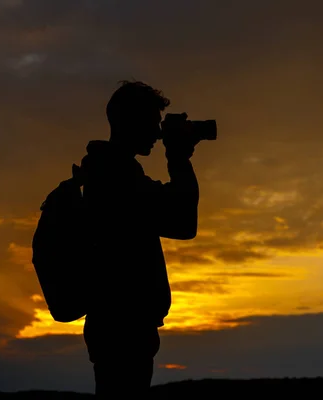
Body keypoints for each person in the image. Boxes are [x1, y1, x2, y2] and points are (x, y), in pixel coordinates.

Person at [77, 80, 200, 397]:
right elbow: (183, 221)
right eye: (153, 123)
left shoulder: (111, 172)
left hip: (116, 321)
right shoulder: (115, 176)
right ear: (130, 122)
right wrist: (179, 159)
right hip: (123, 324)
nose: (158, 133)